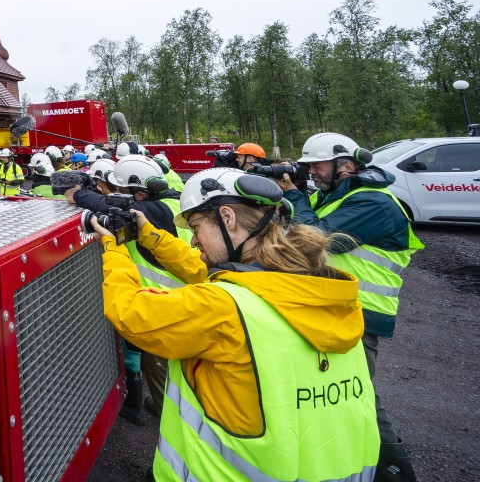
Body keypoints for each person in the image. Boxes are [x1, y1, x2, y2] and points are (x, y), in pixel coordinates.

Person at [92, 168, 379, 481]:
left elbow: (130, 312)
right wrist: (150, 236)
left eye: (196, 227)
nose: (193, 240)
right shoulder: (319, 289)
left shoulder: (223, 308)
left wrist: (114, 249)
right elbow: (206, 269)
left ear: (227, 218)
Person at [278, 132, 423, 481]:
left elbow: (314, 237)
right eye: (308, 165)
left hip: (360, 313)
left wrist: (294, 195)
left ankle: (396, 471)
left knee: (358, 394)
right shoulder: (335, 196)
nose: (311, 171)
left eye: (317, 164)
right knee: (338, 391)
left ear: (346, 165)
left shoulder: (374, 202)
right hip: (336, 307)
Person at [66, 155, 190, 422]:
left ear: (140, 193)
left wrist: (78, 194)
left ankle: (167, 416)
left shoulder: (154, 211)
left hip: (164, 304)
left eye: (121, 193)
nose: (115, 197)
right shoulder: (173, 200)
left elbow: (103, 203)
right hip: (182, 296)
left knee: (161, 373)